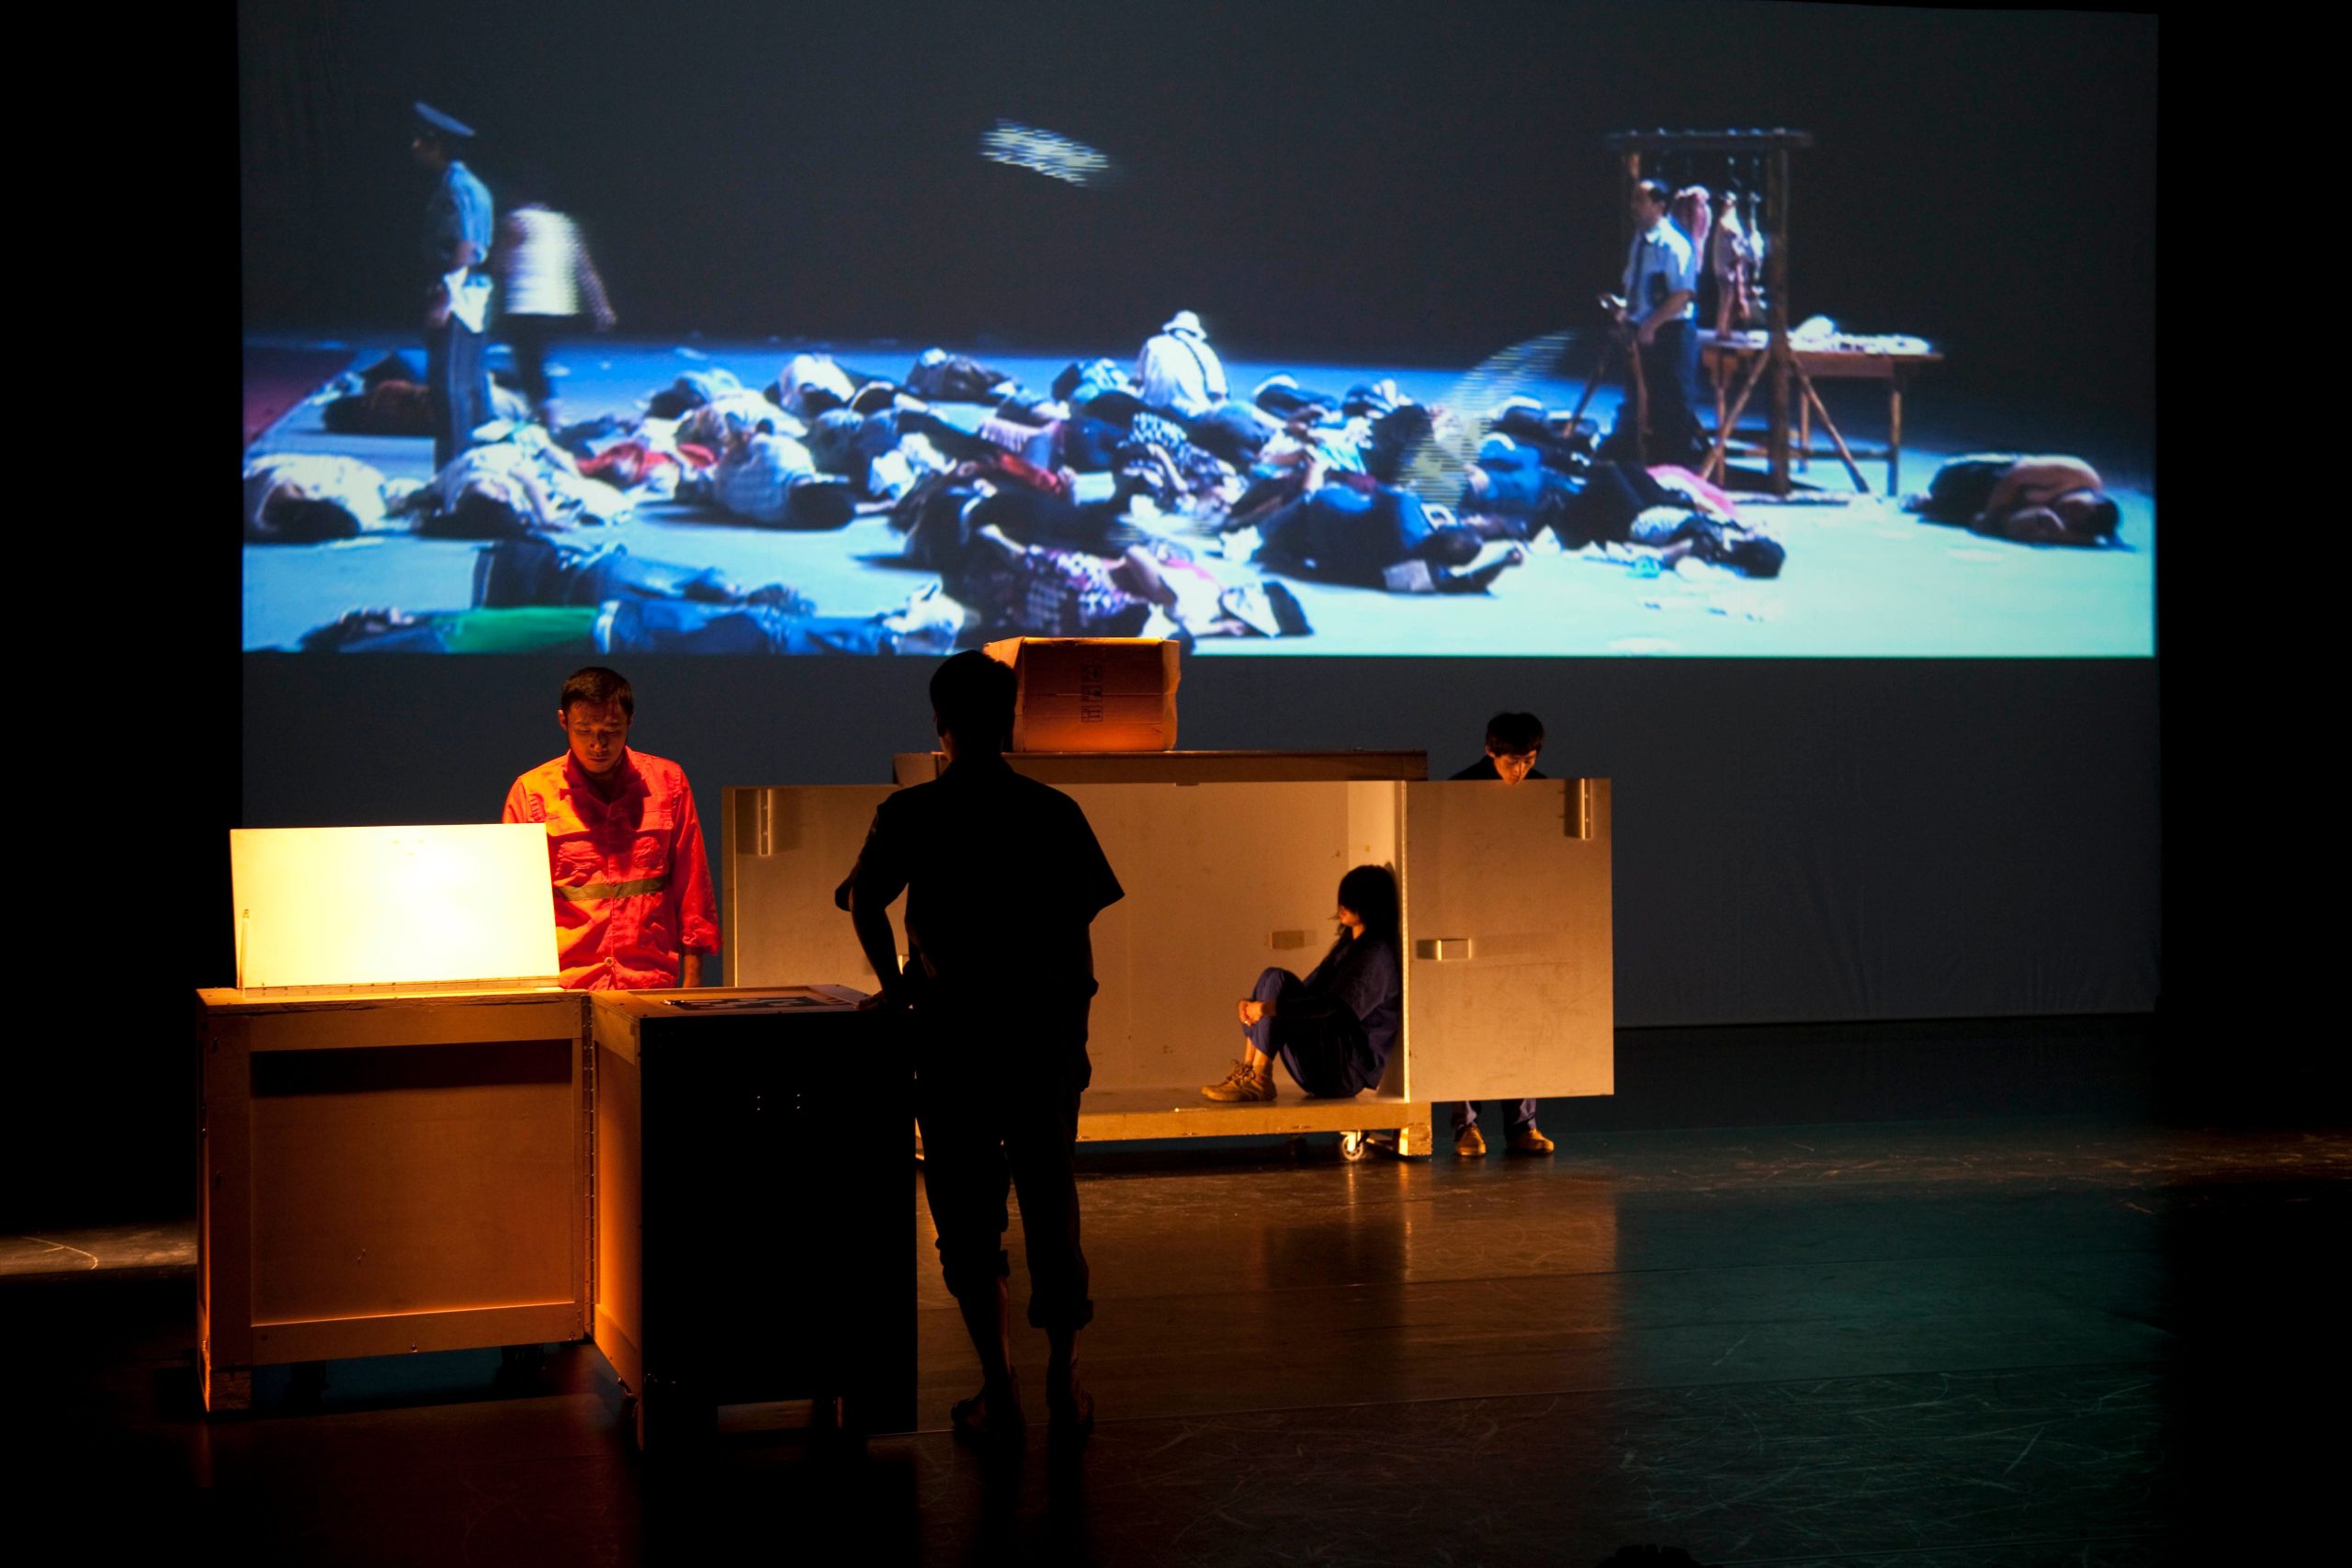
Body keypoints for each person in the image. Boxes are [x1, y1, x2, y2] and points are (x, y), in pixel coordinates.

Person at [841, 651, 1124, 1445]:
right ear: (1011, 723)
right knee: (1051, 1209)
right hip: (1039, 1042)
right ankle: (1064, 1378)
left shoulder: (912, 811)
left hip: (952, 1041)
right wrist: (1074, 1039)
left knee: (967, 1223)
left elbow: (864, 900)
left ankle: (999, 1388)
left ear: (940, 724)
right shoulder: (1054, 811)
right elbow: (1076, 942)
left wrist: (895, 988)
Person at [501, 667, 718, 989]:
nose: (598, 744)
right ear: (563, 721)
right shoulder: (532, 793)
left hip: (649, 980)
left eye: (611, 731)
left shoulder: (667, 783)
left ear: (630, 721)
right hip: (567, 983)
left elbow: (692, 885)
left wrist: (693, 980)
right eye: (584, 731)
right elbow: (514, 900)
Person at [1443, 714, 1558, 1158]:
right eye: (1513, 762)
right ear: (1490, 752)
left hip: (1525, 922)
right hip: (1470, 921)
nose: (1521, 771)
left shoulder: (1545, 792)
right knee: (1468, 1024)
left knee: (1523, 1023)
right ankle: (1466, 1126)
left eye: (1529, 761)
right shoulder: (1459, 791)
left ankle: (1523, 1125)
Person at [1202, 864, 1401, 1105]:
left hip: (1347, 1072)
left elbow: (1332, 1008)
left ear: (1370, 904)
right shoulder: (1347, 949)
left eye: (1350, 900)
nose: (1342, 906)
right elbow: (1303, 996)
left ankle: (1258, 1079)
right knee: (1271, 977)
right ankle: (1250, 1071)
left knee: (1279, 982)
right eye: (1341, 899)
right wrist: (1250, 1005)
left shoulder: (1377, 956)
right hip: (1327, 1062)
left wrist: (1265, 1008)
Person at [413, 103, 496, 470]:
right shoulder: (460, 183)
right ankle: (467, 465)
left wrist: (446, 295)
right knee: (466, 381)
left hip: (461, 291)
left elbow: (465, 242)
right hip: (464, 287)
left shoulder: (457, 187)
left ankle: (454, 469)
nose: (415, 148)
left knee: (449, 386)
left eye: (422, 142)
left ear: (438, 146)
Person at [492, 189, 616, 428]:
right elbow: (585, 270)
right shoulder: (564, 225)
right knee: (536, 364)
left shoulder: (515, 221)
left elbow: (501, 265)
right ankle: (544, 415)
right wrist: (601, 307)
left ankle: (549, 420)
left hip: (525, 304)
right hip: (557, 305)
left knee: (530, 366)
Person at [1605, 178, 1704, 466]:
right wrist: (1624, 308)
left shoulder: (1674, 245)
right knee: (1639, 399)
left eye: (1641, 200)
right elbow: (1643, 289)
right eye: (1633, 200)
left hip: (1669, 333)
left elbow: (1682, 295)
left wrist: (1652, 325)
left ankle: (1674, 467)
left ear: (1659, 206)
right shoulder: (1640, 241)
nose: (1634, 207)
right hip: (1641, 332)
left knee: (1671, 403)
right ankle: (1641, 460)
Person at [1905, 454, 2123, 547]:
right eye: (2074, 508)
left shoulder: (2075, 524)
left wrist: (2063, 533)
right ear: (2093, 499)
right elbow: (2015, 475)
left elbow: (2092, 540)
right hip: (1977, 472)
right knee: (1986, 515)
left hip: (1999, 502)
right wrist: (1990, 516)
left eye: (2072, 519)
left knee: (2011, 523)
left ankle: (1932, 502)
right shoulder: (2080, 474)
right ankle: (1935, 500)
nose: (2066, 512)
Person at [1133, 310, 1227, 419]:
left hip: (1153, 412)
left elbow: (1136, 382)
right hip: (1192, 416)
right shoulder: (1205, 351)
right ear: (1195, 332)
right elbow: (1218, 395)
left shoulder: (1151, 344)